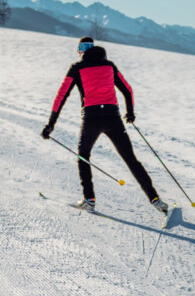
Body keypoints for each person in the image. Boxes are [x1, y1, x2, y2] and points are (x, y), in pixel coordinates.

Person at [42, 36, 168, 215]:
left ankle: (89, 200)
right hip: (112, 118)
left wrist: (50, 125)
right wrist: (130, 112)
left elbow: (61, 95)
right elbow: (127, 89)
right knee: (130, 159)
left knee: (83, 156)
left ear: (81, 51)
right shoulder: (109, 65)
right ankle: (155, 200)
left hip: (91, 119)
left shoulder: (77, 68)